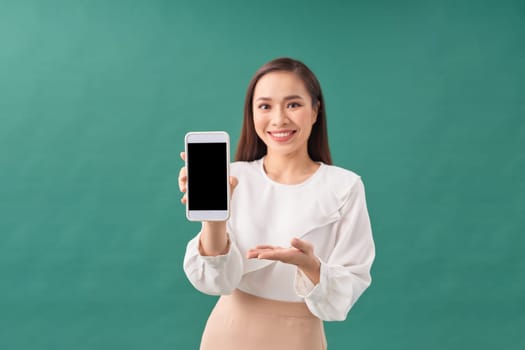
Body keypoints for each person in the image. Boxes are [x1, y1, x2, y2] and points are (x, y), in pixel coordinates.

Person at [178, 57, 375, 350]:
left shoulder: (344, 187)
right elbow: (215, 283)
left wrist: (310, 266)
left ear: (315, 111)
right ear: (252, 113)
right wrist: (214, 221)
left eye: (293, 104)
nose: (279, 119)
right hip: (227, 333)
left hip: (299, 337)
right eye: (265, 106)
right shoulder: (232, 177)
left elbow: (342, 297)